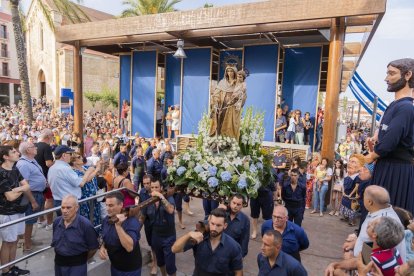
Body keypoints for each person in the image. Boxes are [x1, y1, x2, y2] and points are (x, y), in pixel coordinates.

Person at [365, 58, 414, 215]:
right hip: (387, 167)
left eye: (391, 73)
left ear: (408, 75)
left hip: (395, 172)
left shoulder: (406, 107)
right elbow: (386, 135)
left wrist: (371, 156)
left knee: (386, 221)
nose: (386, 78)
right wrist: (376, 140)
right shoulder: (395, 105)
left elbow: (390, 142)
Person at [324, 186, 407, 276]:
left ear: (369, 202)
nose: (369, 225)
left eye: (371, 226)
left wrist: (343, 267)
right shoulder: (380, 215)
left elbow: (365, 266)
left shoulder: (383, 222)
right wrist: (355, 243)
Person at [172, 208, 243, 276]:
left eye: (218, 225)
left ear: (225, 226)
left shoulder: (233, 246)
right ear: (208, 222)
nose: (214, 228)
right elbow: (174, 249)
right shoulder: (198, 238)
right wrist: (189, 234)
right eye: (212, 224)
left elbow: (238, 272)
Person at [0, 145, 32, 276]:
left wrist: (17, 189)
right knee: (7, 242)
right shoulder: (1, 174)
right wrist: (21, 189)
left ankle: (12, 267)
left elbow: (27, 185)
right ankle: (5, 271)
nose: (17, 152)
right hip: (7, 213)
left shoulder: (15, 169)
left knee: (15, 240)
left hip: (18, 211)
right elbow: (10, 197)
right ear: (5, 157)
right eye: (13, 152)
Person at [52, 195, 99, 276]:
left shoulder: (85, 225)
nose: (64, 211)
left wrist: (82, 259)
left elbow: (93, 248)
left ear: (76, 208)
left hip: (77, 266)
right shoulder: (56, 222)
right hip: (59, 264)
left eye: (68, 207)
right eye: (62, 207)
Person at [100, 191, 142, 276]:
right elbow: (105, 236)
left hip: (130, 270)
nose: (107, 208)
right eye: (106, 205)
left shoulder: (131, 221)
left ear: (121, 205)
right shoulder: (106, 220)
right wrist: (102, 246)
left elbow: (129, 247)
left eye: (111, 205)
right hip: (115, 266)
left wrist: (118, 226)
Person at [140, 178, 176, 276]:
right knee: (160, 262)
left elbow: (170, 210)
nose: (154, 189)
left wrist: (160, 197)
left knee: (170, 265)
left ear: (161, 188)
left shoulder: (168, 198)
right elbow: (142, 217)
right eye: (152, 187)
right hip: (156, 235)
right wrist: (136, 231)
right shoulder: (149, 201)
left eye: (156, 187)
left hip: (168, 236)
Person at [16, 142, 46, 252]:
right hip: (31, 195)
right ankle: (27, 245)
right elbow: (24, 185)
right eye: (33, 147)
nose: (36, 148)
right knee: (28, 221)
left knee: (32, 220)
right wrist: (33, 201)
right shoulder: (23, 164)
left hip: (37, 193)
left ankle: (29, 240)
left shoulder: (31, 160)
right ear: (28, 150)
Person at [48, 145, 98, 211]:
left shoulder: (52, 168)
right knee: (72, 221)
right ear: (64, 155)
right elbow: (81, 183)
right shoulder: (64, 168)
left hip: (60, 201)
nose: (71, 156)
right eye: (70, 154)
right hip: (68, 204)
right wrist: (88, 171)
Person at [209, 65, 244, 139]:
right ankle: (219, 140)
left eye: (231, 71)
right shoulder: (222, 82)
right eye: (228, 71)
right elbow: (216, 94)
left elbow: (242, 96)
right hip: (222, 106)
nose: (229, 73)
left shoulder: (237, 84)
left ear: (234, 72)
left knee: (230, 124)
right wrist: (216, 102)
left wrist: (237, 99)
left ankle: (229, 141)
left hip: (232, 108)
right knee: (220, 122)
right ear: (226, 72)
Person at [71, 153, 102, 227]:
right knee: (87, 219)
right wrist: (96, 170)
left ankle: (96, 234)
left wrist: (97, 167)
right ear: (74, 161)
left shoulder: (85, 167)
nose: (81, 157)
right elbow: (86, 180)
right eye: (79, 157)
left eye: (81, 156)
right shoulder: (74, 172)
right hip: (85, 199)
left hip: (94, 197)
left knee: (96, 216)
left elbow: (95, 174)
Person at [35, 128, 55, 230]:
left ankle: (40, 220)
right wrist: (57, 162)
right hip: (46, 177)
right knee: (49, 200)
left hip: (35, 177)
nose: (53, 138)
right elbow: (49, 163)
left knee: (39, 200)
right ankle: (49, 223)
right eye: (52, 136)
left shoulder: (34, 145)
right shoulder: (46, 147)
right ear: (48, 137)